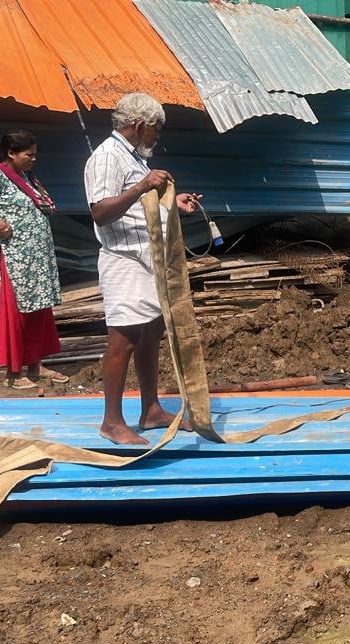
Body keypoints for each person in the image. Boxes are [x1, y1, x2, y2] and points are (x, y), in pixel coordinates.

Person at [84, 92, 202, 445]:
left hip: (148, 258)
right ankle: (111, 422)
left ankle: (150, 409)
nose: (156, 137)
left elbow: (139, 206)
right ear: (139, 125)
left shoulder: (131, 156)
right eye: (155, 130)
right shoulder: (107, 156)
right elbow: (100, 211)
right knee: (123, 339)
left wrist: (173, 202)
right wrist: (141, 185)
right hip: (125, 261)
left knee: (151, 331)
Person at [0, 130, 65, 389]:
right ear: (11, 153)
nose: (34, 159)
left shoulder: (26, 176)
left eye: (35, 154)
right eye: (29, 154)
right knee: (17, 313)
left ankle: (36, 365)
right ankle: (13, 373)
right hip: (15, 257)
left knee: (38, 310)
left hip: (35, 258)